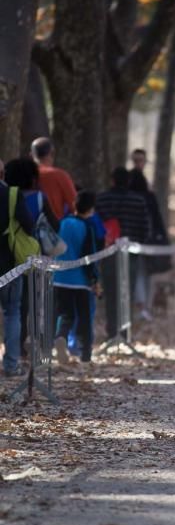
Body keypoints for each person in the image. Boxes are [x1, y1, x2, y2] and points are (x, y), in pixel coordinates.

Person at [4, 157, 59, 356]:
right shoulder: (39, 198)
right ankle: (37, 347)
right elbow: (54, 224)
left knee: (16, 308)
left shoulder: (5, 195)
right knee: (32, 304)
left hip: (9, 258)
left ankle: (17, 349)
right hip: (32, 257)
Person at [95, 167, 151, 340]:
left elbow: (96, 226)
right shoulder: (138, 201)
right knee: (128, 292)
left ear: (112, 180)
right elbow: (145, 229)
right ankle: (125, 333)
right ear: (128, 182)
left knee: (111, 293)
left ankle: (112, 333)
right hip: (131, 253)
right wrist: (137, 243)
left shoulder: (102, 200)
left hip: (107, 253)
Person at [53, 191, 101, 364]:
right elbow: (90, 256)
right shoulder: (87, 227)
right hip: (80, 280)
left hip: (59, 277)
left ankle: (61, 337)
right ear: (91, 209)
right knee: (84, 317)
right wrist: (94, 280)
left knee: (66, 314)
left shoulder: (62, 223)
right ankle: (85, 354)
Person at [0, 160, 35, 377]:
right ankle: (11, 365)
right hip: (9, 262)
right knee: (13, 312)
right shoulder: (12, 194)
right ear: (3, 173)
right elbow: (29, 224)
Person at [128, 169, 171, 319]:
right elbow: (157, 219)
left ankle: (141, 306)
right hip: (148, 241)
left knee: (139, 274)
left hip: (134, 241)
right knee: (145, 274)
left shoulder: (132, 198)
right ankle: (144, 305)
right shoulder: (149, 197)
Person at [30, 137, 77, 220]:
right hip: (54, 228)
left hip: (26, 229)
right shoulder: (59, 175)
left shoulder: (25, 175)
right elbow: (75, 205)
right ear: (52, 153)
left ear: (31, 155)